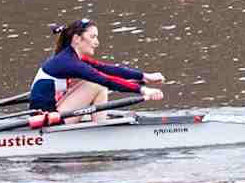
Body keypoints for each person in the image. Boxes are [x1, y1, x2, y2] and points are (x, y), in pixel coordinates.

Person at [29, 17, 165, 116]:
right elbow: (105, 80)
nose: (97, 42)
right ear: (77, 39)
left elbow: (107, 68)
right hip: (46, 117)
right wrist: (143, 90)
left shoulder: (71, 57)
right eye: (93, 37)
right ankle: (101, 129)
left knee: (96, 82)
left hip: (52, 110)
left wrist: (144, 76)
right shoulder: (69, 62)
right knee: (96, 84)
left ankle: (100, 123)